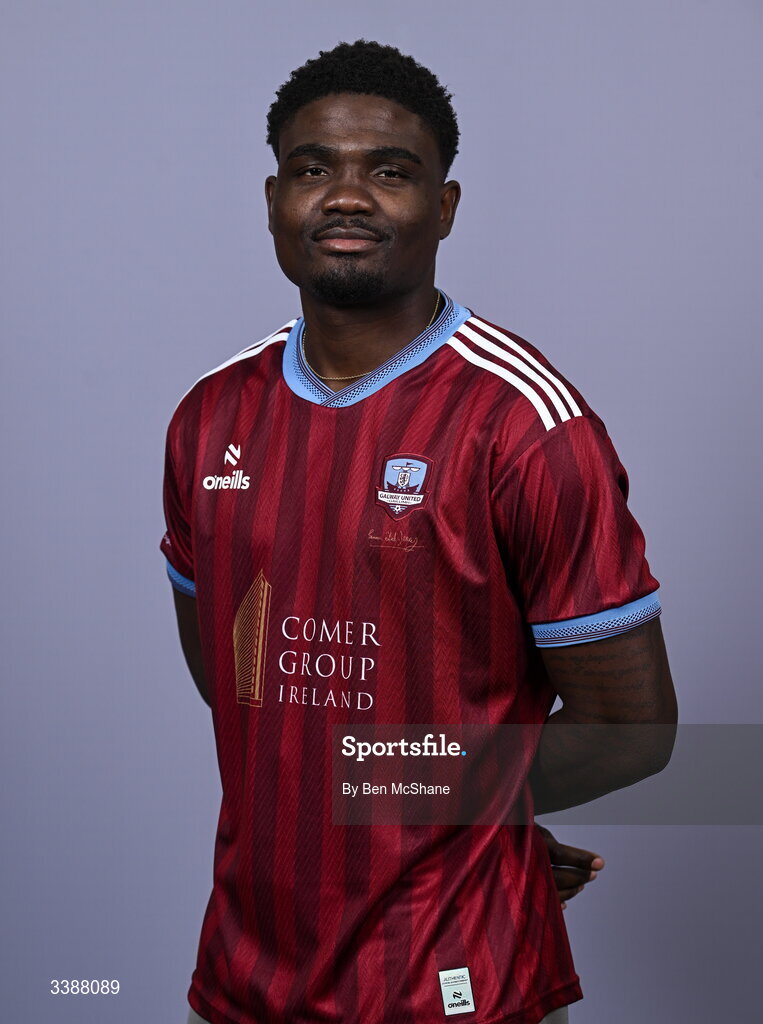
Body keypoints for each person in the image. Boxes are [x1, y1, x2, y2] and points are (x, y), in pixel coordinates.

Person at [161, 40, 677, 1024]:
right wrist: (471, 801)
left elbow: (637, 731)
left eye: (388, 172)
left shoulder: (524, 424)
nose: (345, 197)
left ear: (442, 207)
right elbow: (241, 682)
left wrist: (441, 803)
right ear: (274, 198)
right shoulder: (209, 416)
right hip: (245, 975)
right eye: (314, 168)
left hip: (455, 983)